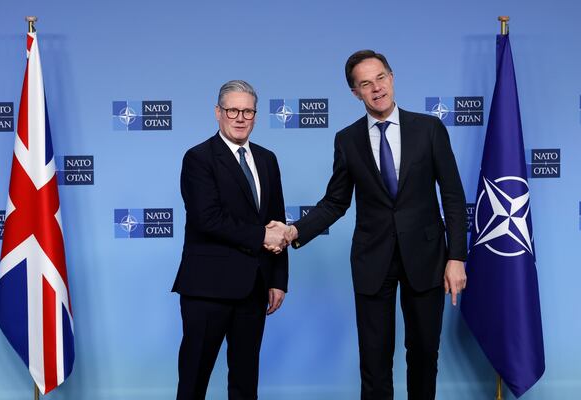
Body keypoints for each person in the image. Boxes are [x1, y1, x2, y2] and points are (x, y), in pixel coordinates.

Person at [270, 50, 467, 399]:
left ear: (391, 78)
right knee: (374, 360)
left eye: (380, 78)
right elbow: (335, 202)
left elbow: (452, 196)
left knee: (424, 353)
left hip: (427, 257)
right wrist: (293, 231)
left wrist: (456, 258)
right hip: (373, 260)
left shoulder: (430, 129)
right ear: (355, 93)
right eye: (365, 84)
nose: (376, 88)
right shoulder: (347, 140)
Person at [172, 80, 289, 400]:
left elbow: (276, 221)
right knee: (194, 378)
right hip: (207, 288)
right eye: (232, 110)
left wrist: (278, 278)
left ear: (255, 114)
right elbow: (206, 218)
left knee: (245, 379)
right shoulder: (198, 158)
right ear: (218, 113)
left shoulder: (268, 159)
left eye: (247, 111)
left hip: (254, 286)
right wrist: (261, 235)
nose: (240, 117)